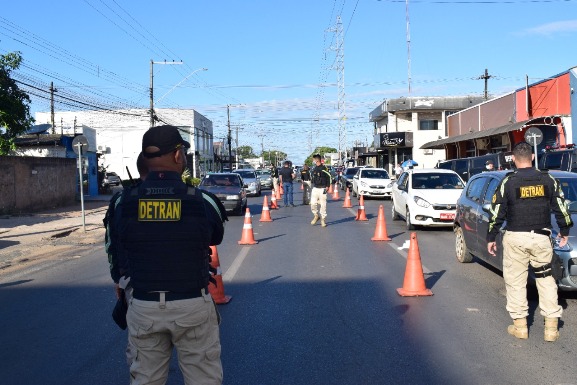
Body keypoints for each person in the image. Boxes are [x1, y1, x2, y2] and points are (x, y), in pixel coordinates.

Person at [107, 125, 227, 384]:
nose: (184, 156)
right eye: (183, 151)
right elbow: (216, 236)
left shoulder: (123, 202)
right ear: (176, 156)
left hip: (143, 305)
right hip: (192, 305)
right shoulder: (202, 200)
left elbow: (115, 246)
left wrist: (119, 280)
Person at [487, 142, 573, 342]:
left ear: (514, 160)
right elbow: (561, 206)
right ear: (533, 158)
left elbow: (496, 211)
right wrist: (565, 230)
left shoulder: (508, 182)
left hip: (516, 238)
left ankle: (520, 327)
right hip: (542, 238)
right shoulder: (548, 179)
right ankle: (551, 328)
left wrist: (491, 237)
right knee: (546, 280)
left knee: (516, 282)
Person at [310, 154, 332, 227]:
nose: (313, 161)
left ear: (317, 160)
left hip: (322, 188)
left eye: (313, 160)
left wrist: (328, 186)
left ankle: (323, 219)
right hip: (315, 188)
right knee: (313, 203)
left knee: (323, 205)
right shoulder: (314, 168)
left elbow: (329, 177)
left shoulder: (324, 168)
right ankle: (316, 216)